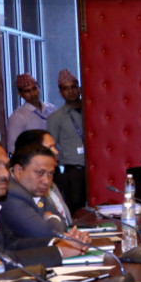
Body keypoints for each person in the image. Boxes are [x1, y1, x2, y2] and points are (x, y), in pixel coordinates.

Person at [0, 135, 85, 266]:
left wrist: (58, 243)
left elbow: (12, 244)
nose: (4, 174)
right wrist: (60, 252)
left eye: (5, 166)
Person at [0, 144, 76, 240]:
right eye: (40, 173)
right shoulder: (10, 192)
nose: (46, 181)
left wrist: (49, 219)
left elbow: (63, 225)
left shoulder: (35, 188)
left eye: (50, 174)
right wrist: (51, 218)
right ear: (18, 171)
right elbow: (44, 234)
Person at [46, 69, 86, 213]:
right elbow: (51, 146)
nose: (71, 91)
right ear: (61, 93)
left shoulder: (92, 110)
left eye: (73, 87)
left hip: (95, 168)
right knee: (77, 209)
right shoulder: (56, 117)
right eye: (66, 89)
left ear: (79, 88)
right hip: (73, 170)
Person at [6, 74, 56, 153]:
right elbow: (13, 148)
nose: (32, 93)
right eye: (27, 91)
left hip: (54, 154)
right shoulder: (17, 117)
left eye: (34, 89)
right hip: (33, 157)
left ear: (39, 88)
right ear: (20, 94)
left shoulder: (51, 108)